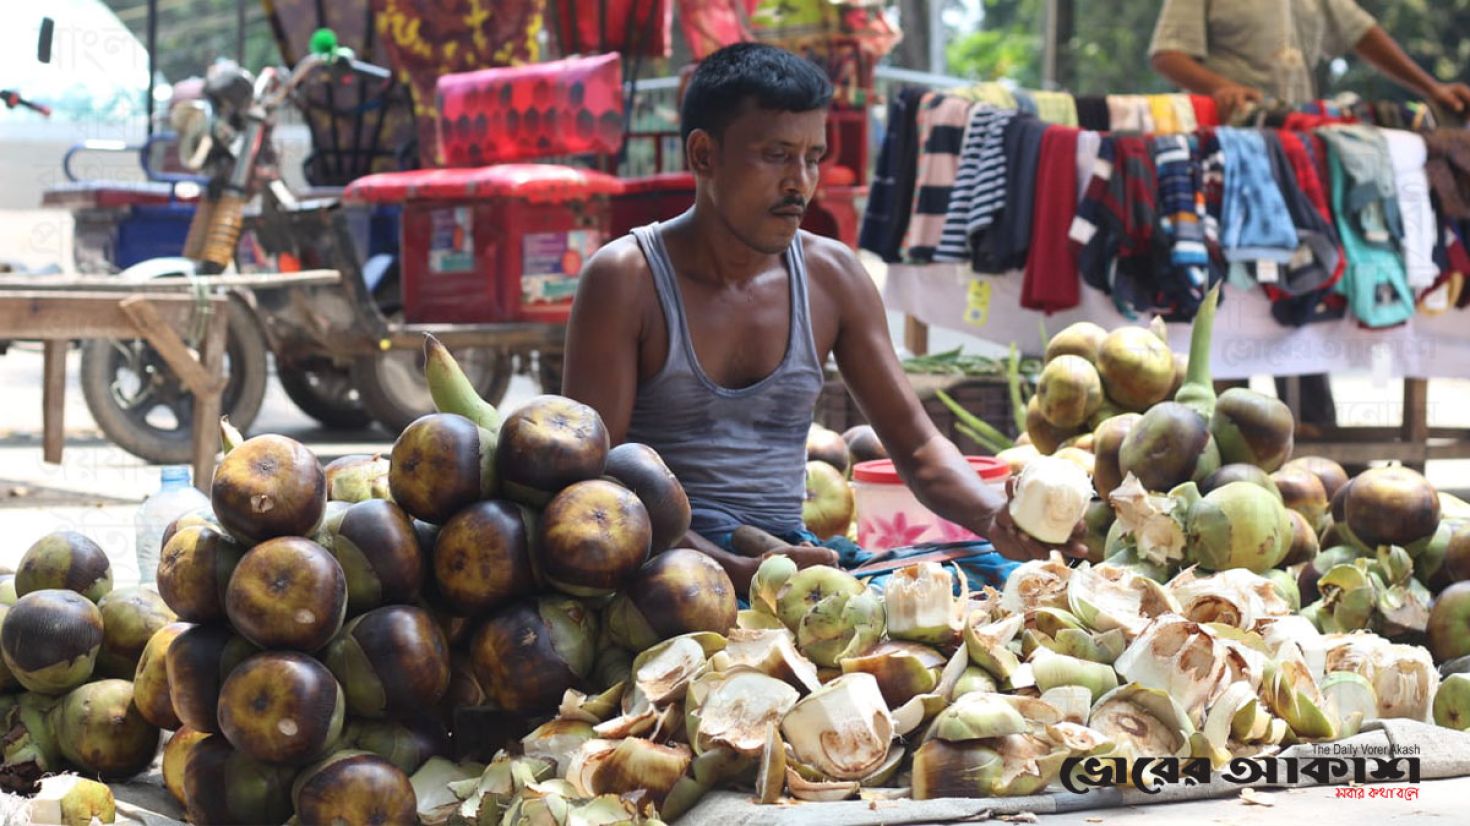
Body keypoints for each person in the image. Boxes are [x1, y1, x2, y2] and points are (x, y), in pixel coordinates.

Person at [561, 43, 1084, 594]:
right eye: (777, 155)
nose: (800, 183)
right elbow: (594, 488)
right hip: (667, 565)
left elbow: (920, 449)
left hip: (791, 553)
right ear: (703, 155)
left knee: (996, 575)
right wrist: (729, 570)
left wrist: (992, 516)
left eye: (813, 157)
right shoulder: (625, 279)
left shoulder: (831, 276)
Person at [1149, 0, 1470, 430]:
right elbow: (1167, 55)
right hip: (1228, 161)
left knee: (1310, 283)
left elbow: (1362, 32)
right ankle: (1217, 439)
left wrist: (1430, 88)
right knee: (1232, 299)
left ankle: (1322, 441)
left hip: (1301, 160)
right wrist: (1221, 87)